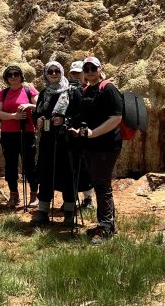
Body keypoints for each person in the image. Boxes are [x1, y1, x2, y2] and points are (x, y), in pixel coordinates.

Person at [68, 56, 123, 243]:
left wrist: (94, 133)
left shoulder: (108, 89)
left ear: (100, 69)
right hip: (90, 145)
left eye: (93, 68)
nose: (90, 71)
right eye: (87, 69)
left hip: (106, 145)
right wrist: (78, 130)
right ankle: (109, 225)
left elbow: (116, 118)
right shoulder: (87, 89)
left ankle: (104, 227)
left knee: (102, 185)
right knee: (100, 183)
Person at [31, 61, 80, 226]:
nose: (53, 74)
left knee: (68, 175)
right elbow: (38, 113)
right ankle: (43, 212)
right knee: (46, 174)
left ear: (62, 72)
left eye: (56, 71)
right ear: (46, 74)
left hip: (67, 140)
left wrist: (65, 120)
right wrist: (38, 119)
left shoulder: (72, 92)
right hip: (47, 139)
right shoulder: (44, 93)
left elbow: (80, 115)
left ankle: (69, 213)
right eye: (50, 71)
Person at [0, 64, 38, 209]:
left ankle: (34, 195)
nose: (13, 77)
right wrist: (14, 116)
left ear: (21, 76)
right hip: (8, 134)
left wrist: (28, 106)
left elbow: (40, 105)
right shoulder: (3, 92)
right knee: (10, 165)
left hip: (26, 132)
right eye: (10, 75)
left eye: (16, 74)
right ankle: (14, 194)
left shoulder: (29, 90)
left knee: (29, 164)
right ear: (6, 78)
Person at [69, 60, 94, 211]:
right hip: (71, 134)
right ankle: (70, 198)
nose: (76, 76)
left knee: (86, 167)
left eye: (78, 73)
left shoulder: (92, 90)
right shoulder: (67, 90)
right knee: (71, 166)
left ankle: (88, 198)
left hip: (87, 134)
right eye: (73, 73)